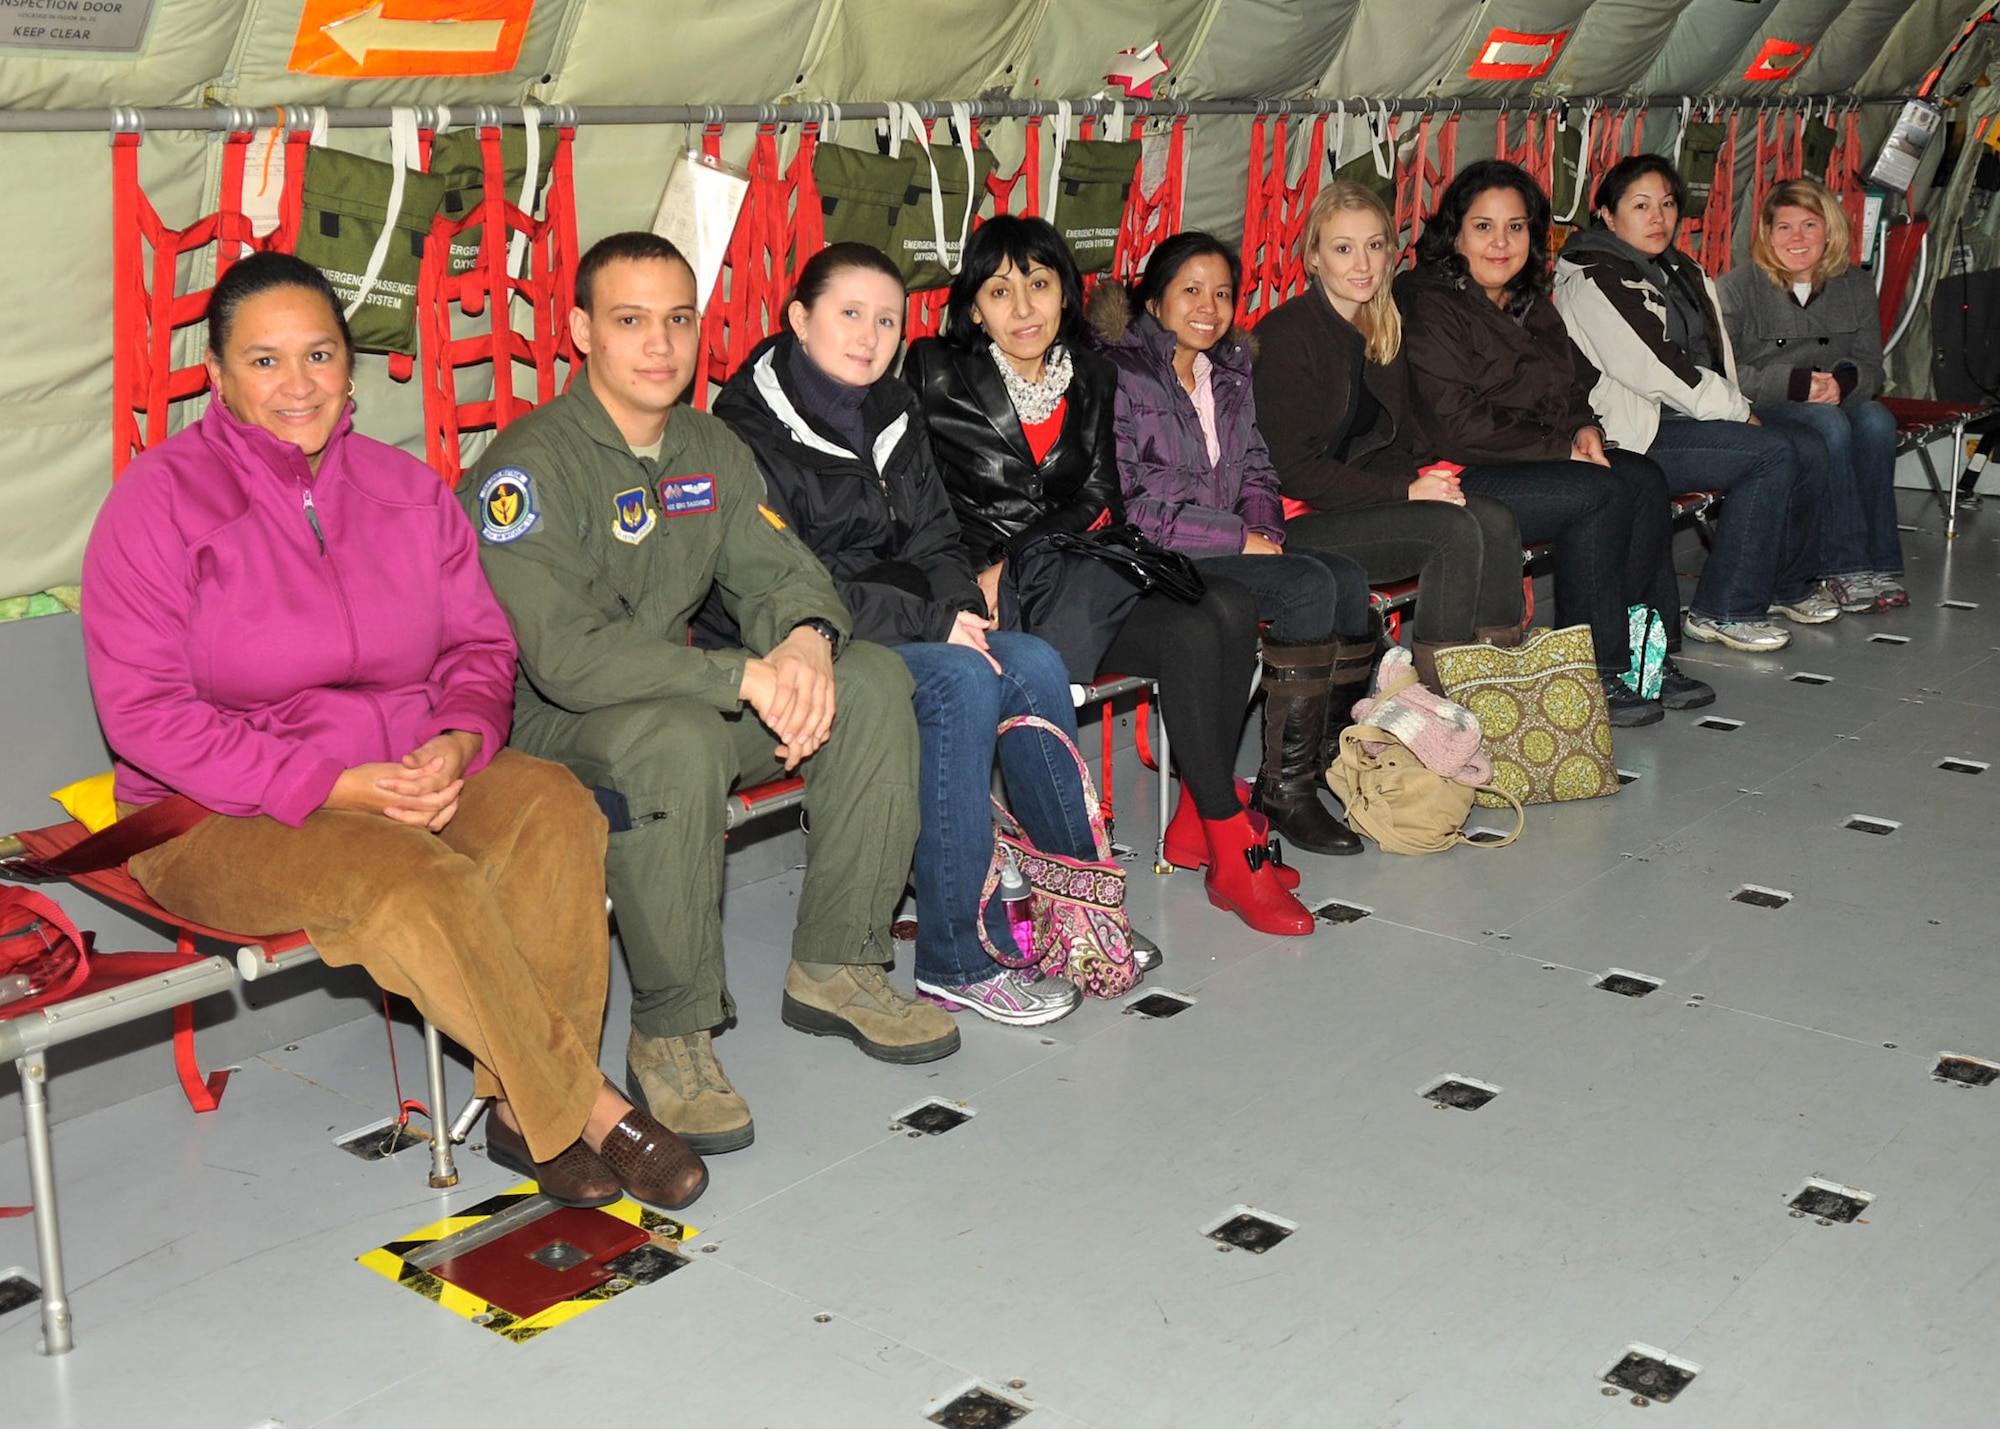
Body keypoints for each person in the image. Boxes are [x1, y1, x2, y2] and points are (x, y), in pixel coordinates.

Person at [80, 252, 705, 1212]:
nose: (299, 385)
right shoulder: (156, 504)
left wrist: (457, 739)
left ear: (350, 366)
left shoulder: (406, 491)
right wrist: (335, 785)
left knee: (552, 805)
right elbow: (146, 716)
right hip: (209, 814)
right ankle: (590, 1110)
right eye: (266, 361)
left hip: (409, 774)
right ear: (217, 374)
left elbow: (479, 649)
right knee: (410, 876)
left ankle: (516, 1111)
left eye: (320, 355)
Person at [463, 233, 952, 1162]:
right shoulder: (528, 468)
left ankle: (838, 963)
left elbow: (783, 573)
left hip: (677, 701)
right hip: (555, 728)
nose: (660, 344)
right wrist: (743, 676)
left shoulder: (706, 447)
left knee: (874, 680)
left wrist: (806, 641)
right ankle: (671, 1032)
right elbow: (567, 658)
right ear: (582, 333)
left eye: (678, 320)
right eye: (631, 320)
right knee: (680, 742)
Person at [711, 241, 1121, 1025]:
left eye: (888, 320)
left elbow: (937, 535)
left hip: (906, 616)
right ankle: (955, 958)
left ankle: (1079, 917)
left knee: (1031, 659)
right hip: (805, 633)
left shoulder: (893, 407)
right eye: (849, 314)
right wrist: (937, 624)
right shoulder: (746, 431)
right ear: (800, 319)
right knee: (963, 679)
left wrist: (960, 607)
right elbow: (791, 584)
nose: (869, 336)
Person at [904, 216, 1314, 936]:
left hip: (1067, 574)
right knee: (1205, 616)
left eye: (1039, 284)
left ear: (1066, 293)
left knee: (1219, 606)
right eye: (1001, 291)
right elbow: (921, 499)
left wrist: (1020, 558)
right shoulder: (934, 372)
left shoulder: (1090, 374)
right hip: (983, 594)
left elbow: (1098, 496)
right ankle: (1224, 839)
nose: (1024, 307)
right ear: (974, 305)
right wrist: (977, 575)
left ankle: (1206, 820)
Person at [1398, 160, 1713, 724]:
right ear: (1455, 233)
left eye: (1515, 227)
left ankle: (1648, 658)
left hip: (1535, 457)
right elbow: (1456, 423)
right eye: (1484, 227)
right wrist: (1561, 448)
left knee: (1642, 476)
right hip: (1456, 470)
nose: (1501, 243)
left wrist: (1583, 427)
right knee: (1598, 492)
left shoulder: (1527, 300)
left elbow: (1573, 381)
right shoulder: (1429, 301)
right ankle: (1599, 671)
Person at [1092, 229, 1372, 856]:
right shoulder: (1120, 377)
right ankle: (1285, 788)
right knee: (1306, 587)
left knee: (1347, 580)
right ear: (1154, 301)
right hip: (1157, 560)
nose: (1208, 308)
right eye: (1190, 290)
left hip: (1230, 548)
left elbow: (1257, 471)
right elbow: (1129, 505)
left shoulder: (1228, 372)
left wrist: (1265, 531)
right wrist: (1239, 538)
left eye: (1221, 293)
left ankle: (1328, 763)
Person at [1555, 153, 1838, 652]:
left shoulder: (1678, 268)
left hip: (1694, 416)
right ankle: (1724, 609)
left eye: (1666, 204)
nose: (1658, 217)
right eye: (1640, 205)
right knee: (1771, 454)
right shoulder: (1594, 274)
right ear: (1606, 214)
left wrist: (1738, 407)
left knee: (1810, 442)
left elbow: (1714, 352)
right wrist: (1737, 412)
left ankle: (1785, 585)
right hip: (1637, 432)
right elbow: (1656, 367)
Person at [1253, 181, 1527, 688]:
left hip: (1348, 503)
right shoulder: (1286, 335)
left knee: (1493, 517)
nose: (1362, 264)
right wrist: (1405, 492)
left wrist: (1426, 485)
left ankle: (1495, 693)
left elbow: (1390, 444)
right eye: (1343, 249)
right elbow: (1292, 471)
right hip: (1289, 522)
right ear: (1314, 258)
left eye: (1375, 246)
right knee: (1451, 532)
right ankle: (1440, 706)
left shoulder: (1380, 327)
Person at [1719, 177, 1905, 612]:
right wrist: (1798, 384)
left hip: (1835, 395)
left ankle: (1881, 561)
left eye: (1809, 225)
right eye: (1784, 227)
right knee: (1829, 424)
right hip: (1767, 403)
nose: (1797, 239)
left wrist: (1842, 382)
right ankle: (1842, 566)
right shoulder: (1738, 286)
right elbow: (1725, 372)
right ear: (1767, 234)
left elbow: (1872, 365)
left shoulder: (1854, 285)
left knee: (1876, 419)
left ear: (1830, 231)